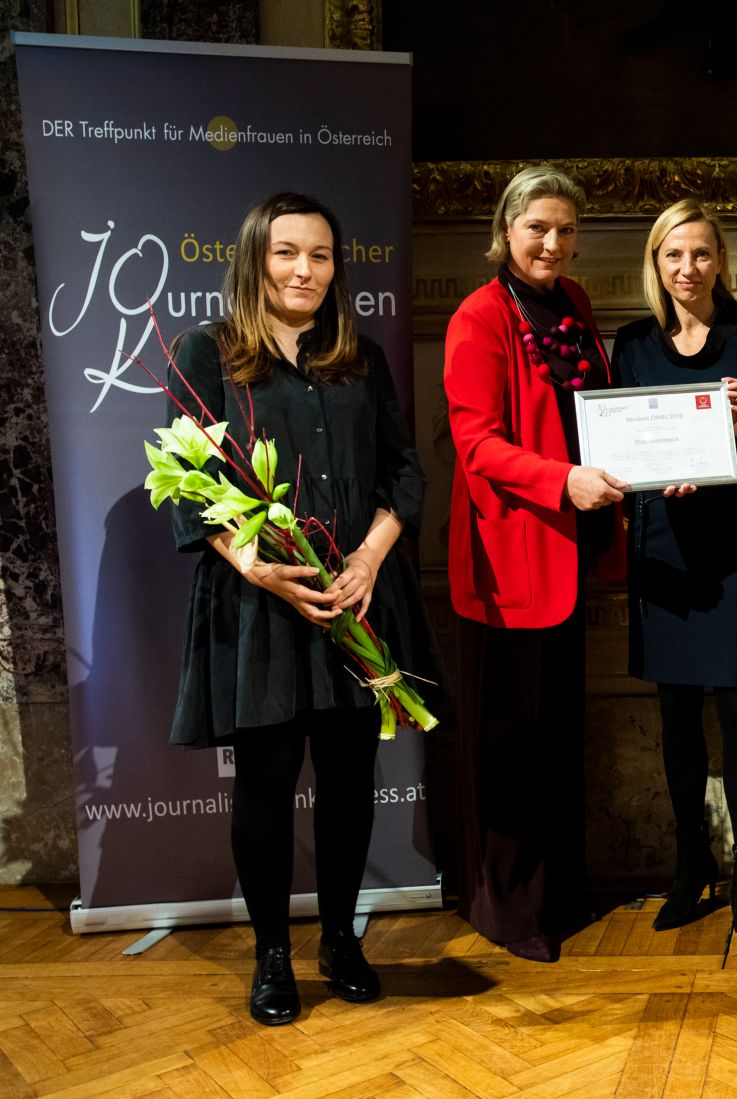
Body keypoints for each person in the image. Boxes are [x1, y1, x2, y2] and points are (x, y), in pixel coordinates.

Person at [166, 192, 438, 1026]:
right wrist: (258, 568)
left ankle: (340, 940)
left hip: (356, 598)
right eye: (287, 253)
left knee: (353, 779)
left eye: (320, 256)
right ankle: (272, 956)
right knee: (267, 782)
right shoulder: (206, 353)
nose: (304, 270)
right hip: (265, 609)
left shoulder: (360, 359)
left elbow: (404, 473)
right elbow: (193, 492)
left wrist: (367, 557)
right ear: (255, 259)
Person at [611, 199, 737, 962]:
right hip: (663, 547)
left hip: (736, 552)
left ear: (721, 258)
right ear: (655, 264)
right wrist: (646, 477)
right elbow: (616, 441)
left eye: (699, 253)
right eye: (671, 255)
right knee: (676, 715)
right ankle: (691, 867)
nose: (687, 268)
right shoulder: (630, 343)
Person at [443, 165, 623, 962]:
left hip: (569, 552)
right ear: (506, 229)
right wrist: (564, 480)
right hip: (506, 557)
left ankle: (556, 894)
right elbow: (476, 442)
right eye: (537, 228)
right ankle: (508, 909)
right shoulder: (478, 317)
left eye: (564, 230)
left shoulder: (574, 304)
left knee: (554, 734)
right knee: (507, 744)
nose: (552, 243)